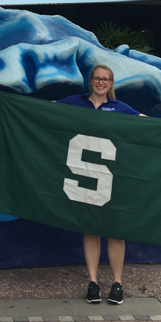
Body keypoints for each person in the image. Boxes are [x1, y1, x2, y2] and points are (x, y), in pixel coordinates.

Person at [55, 64, 144, 306]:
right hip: (84, 176)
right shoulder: (76, 102)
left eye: (106, 79)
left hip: (111, 177)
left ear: (111, 83)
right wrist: (11, 103)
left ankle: (117, 283)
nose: (101, 83)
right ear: (91, 81)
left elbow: (149, 125)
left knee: (115, 231)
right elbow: (44, 110)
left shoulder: (119, 108)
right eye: (97, 78)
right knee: (90, 228)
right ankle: (93, 282)